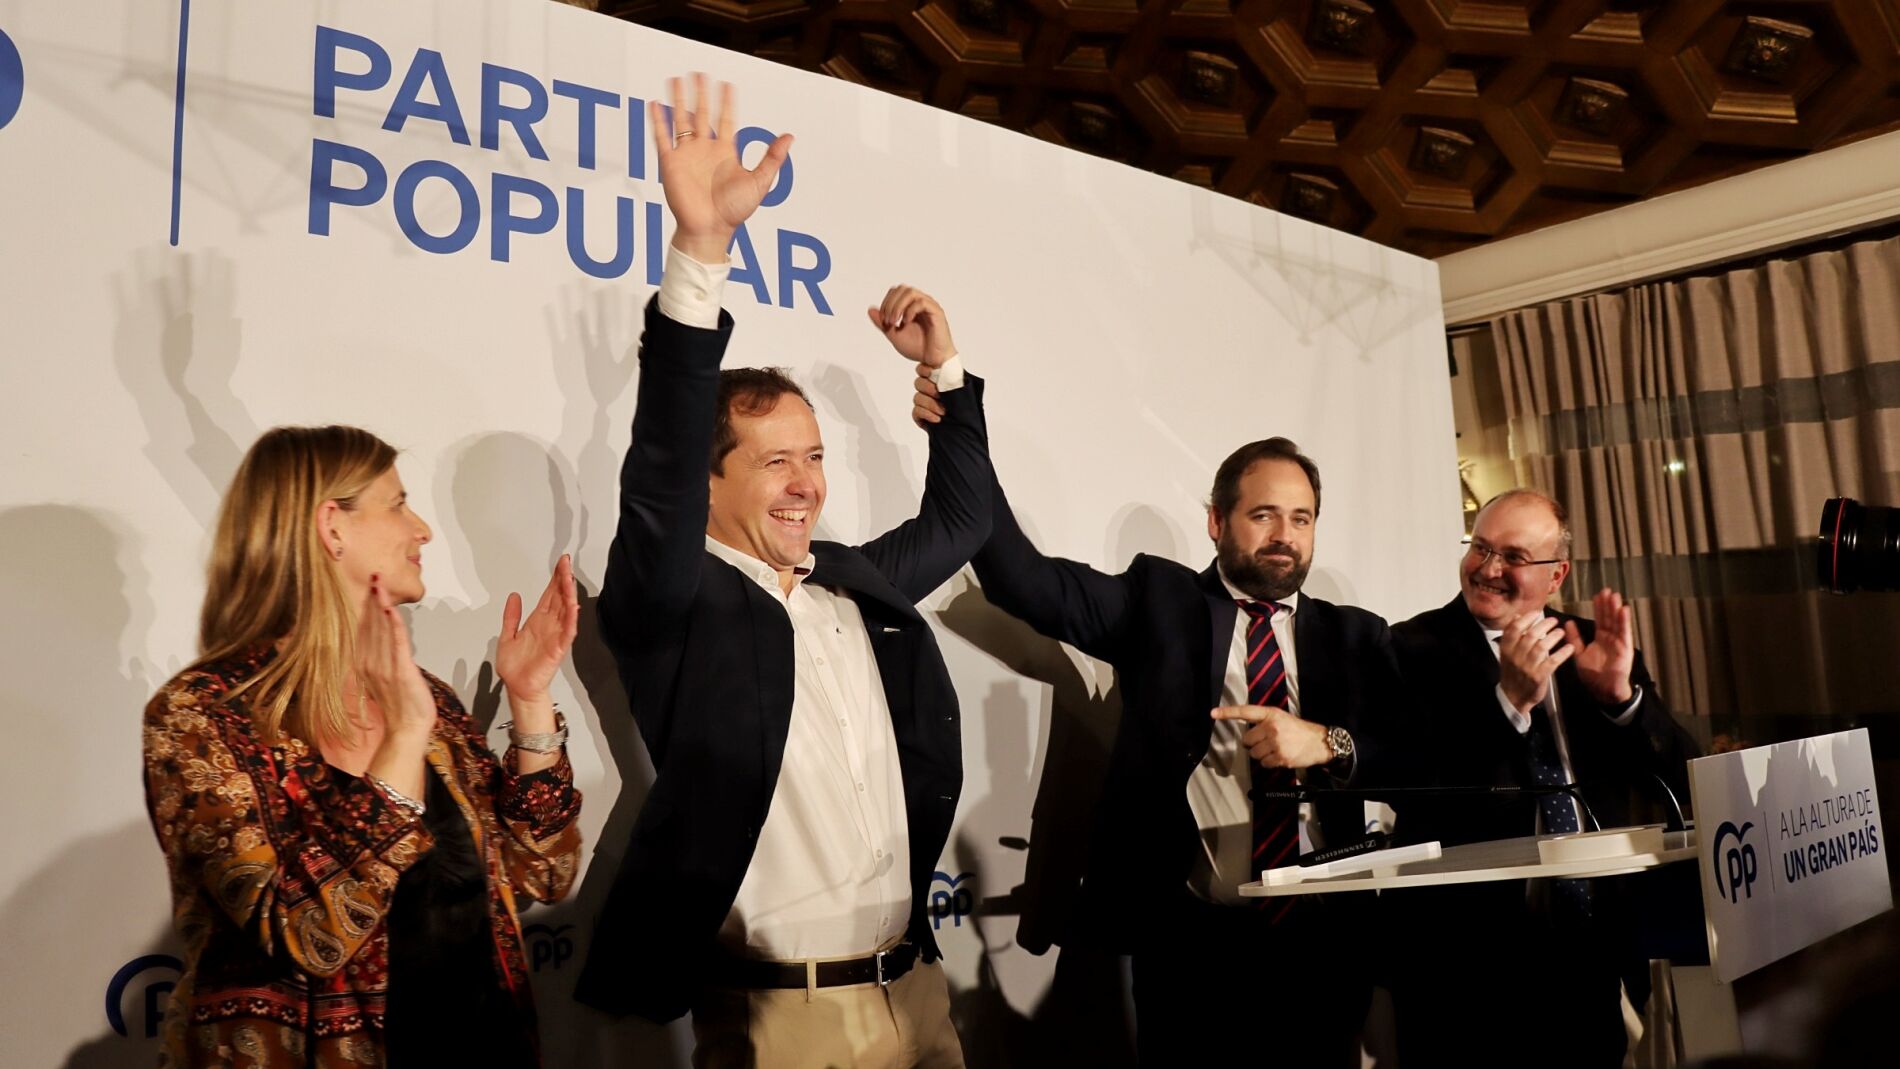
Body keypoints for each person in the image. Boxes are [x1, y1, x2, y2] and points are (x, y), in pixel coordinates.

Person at [572, 76, 990, 1069]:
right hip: (783, 1023)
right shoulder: (673, 600)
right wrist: (700, 253)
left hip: (918, 992)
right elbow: (661, 466)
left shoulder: (850, 581)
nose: (806, 485)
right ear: (711, 482)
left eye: (814, 456)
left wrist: (946, 375)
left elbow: (964, 520)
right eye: (774, 462)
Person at [915, 402, 1408, 1065]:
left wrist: (1328, 743)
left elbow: (1415, 756)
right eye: (1263, 515)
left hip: (1321, 947)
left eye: (1301, 518)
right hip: (1193, 948)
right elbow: (1021, 577)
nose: (1284, 535)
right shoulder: (1159, 602)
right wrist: (956, 415)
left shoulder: (1357, 636)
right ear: (1217, 521)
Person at [141, 425, 584, 1067]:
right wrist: (402, 739)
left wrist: (530, 698)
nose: (422, 530)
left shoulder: (425, 700)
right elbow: (308, 934)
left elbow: (542, 872)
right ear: (332, 527)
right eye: (398, 504)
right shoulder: (204, 715)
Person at [1387, 487, 1697, 1068]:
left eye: (1513, 556)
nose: (1488, 569)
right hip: (1463, 970)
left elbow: (1682, 775)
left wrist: (1621, 700)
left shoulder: (1590, 644)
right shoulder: (1407, 647)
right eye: (1480, 547)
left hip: (1591, 953)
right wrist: (1508, 704)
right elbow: (1413, 786)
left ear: (1557, 576)